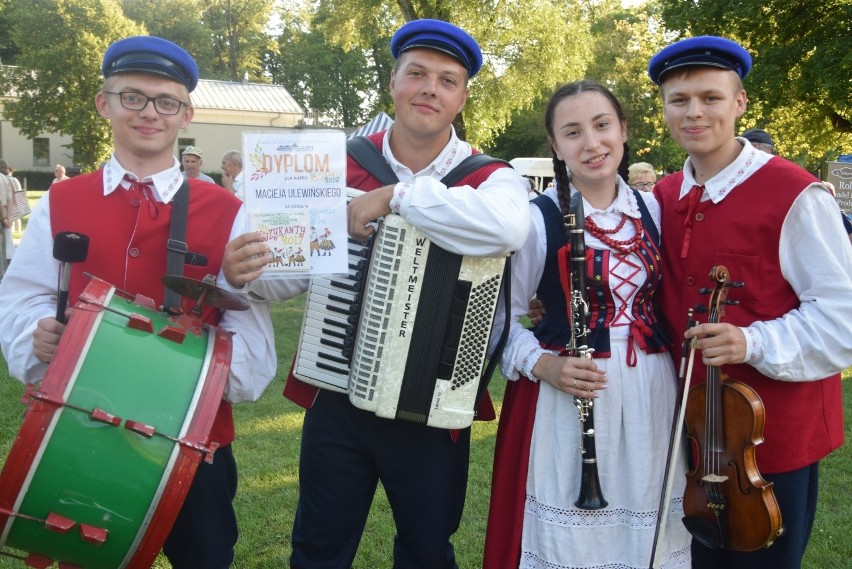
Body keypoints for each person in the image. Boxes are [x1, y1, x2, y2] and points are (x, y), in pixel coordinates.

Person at [223, 18, 530, 569]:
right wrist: (253, 267)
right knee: (318, 547)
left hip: (434, 401)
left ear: (462, 96)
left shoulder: (490, 177)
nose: (429, 89)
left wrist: (395, 196)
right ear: (393, 83)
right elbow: (278, 282)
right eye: (416, 74)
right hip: (335, 394)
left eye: (447, 79)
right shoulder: (329, 164)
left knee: (427, 550)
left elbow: (508, 230)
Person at [0, 35, 277, 568]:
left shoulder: (231, 211)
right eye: (132, 97)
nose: (149, 112)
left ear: (185, 114)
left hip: (196, 446)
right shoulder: (62, 200)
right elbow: (22, 296)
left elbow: (250, 340)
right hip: (80, 432)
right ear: (105, 103)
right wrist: (36, 332)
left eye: (166, 101)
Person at [648, 35, 851, 569]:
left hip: (768, 442)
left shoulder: (796, 194)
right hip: (691, 436)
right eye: (679, 100)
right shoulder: (665, 196)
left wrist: (752, 340)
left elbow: (843, 318)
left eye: (710, 98)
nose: (694, 112)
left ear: (739, 103)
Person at [482, 80, 691, 569]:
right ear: (556, 146)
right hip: (566, 397)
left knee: (651, 532)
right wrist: (543, 364)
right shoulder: (536, 220)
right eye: (572, 132)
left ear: (623, 129)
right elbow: (498, 317)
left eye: (601, 126)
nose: (592, 144)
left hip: (651, 392)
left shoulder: (655, 209)